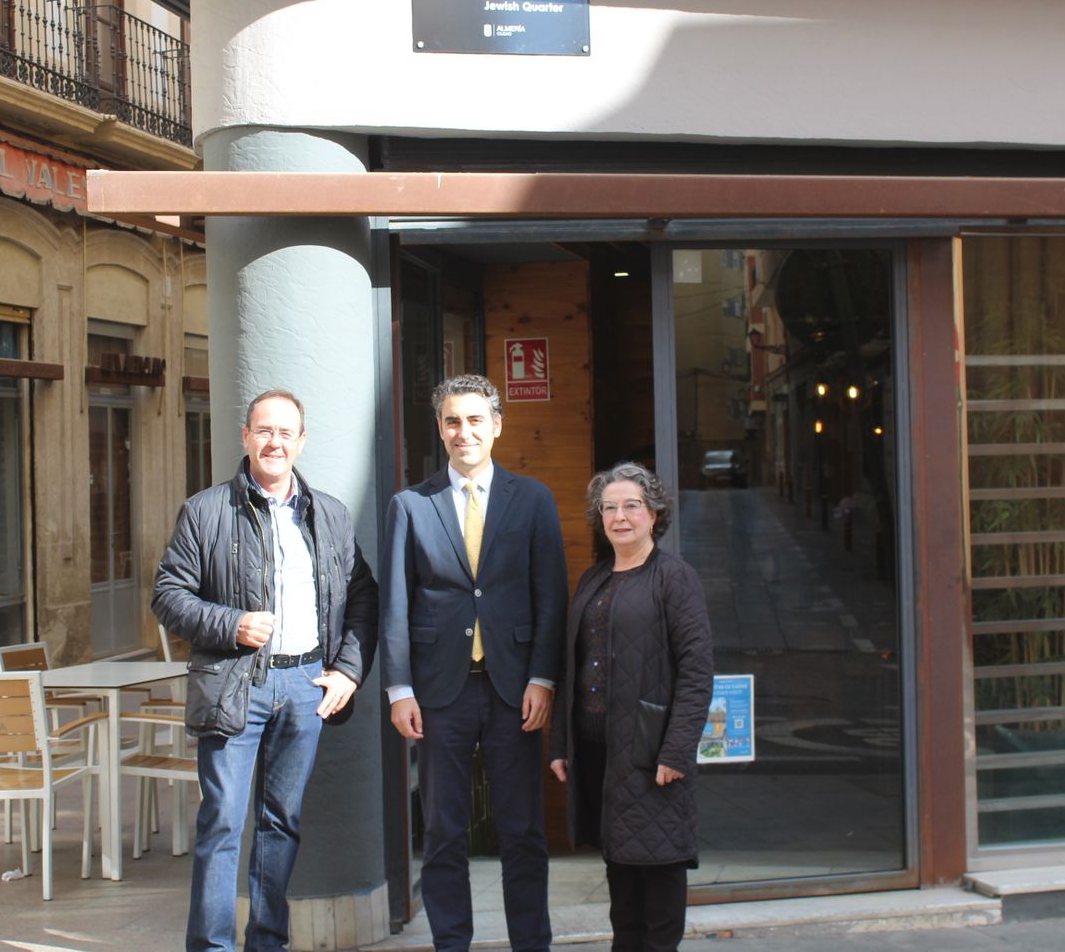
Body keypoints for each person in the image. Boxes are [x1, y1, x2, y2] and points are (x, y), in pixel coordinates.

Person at [152, 388, 378, 952]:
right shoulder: (206, 510)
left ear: (301, 442)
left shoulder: (329, 513)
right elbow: (167, 594)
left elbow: (362, 597)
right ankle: (212, 946)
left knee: (282, 824)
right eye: (264, 430)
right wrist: (230, 624)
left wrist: (347, 670)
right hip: (234, 688)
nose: (274, 441)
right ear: (246, 436)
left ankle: (268, 943)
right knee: (223, 824)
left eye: (286, 432)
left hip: (306, 688)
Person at [381, 373, 567, 952]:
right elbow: (395, 603)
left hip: (515, 689)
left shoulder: (532, 499)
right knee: (442, 831)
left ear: (497, 427)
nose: (465, 432)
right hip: (440, 693)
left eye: (475, 420)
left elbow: (551, 597)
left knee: (522, 831)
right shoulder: (410, 505)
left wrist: (542, 676)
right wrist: (398, 689)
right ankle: (451, 944)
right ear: (440, 428)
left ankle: (530, 943)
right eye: (453, 421)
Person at [549, 462, 714, 952]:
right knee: (622, 887)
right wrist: (561, 743)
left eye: (631, 506)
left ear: (654, 514)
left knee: (659, 881)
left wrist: (676, 751)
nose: (619, 516)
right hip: (601, 756)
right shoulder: (594, 579)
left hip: (651, 753)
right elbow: (570, 668)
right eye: (609, 508)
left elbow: (697, 670)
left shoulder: (675, 578)